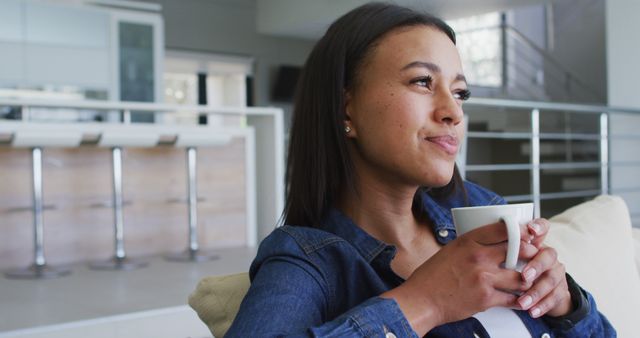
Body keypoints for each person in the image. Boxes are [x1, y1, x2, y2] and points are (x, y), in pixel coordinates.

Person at [226, 3, 615, 337]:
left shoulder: (481, 209)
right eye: (422, 82)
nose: (454, 111)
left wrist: (567, 302)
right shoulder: (307, 259)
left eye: (460, 92)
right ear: (347, 109)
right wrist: (425, 302)